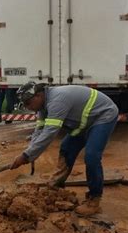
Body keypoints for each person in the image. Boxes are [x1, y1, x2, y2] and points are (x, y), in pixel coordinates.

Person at [10, 82, 118, 215]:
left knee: (91, 157)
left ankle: (94, 200)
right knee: (66, 148)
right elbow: (39, 130)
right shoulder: (43, 106)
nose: (29, 108)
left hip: (102, 116)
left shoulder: (57, 100)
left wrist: (26, 156)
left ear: (38, 95)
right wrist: (29, 152)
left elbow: (49, 133)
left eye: (28, 103)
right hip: (83, 123)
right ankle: (56, 187)